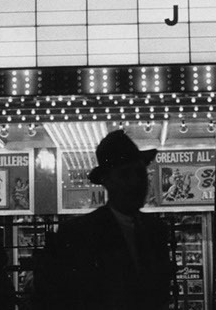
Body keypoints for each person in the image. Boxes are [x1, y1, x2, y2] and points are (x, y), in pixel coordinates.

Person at [35, 130, 172, 310]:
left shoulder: (156, 231)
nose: (135, 182)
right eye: (125, 174)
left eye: (140, 173)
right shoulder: (78, 235)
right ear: (107, 181)